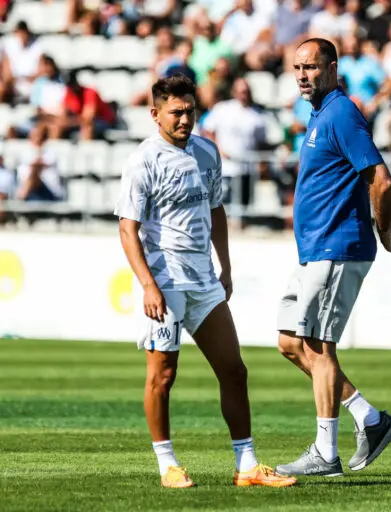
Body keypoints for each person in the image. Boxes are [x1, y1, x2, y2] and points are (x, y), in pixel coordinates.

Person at [114, 74, 296, 490]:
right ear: (155, 114)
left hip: (204, 280)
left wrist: (225, 267)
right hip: (165, 281)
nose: (185, 119)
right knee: (163, 376)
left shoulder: (207, 152)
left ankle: (247, 465)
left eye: (190, 111)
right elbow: (128, 228)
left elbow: (216, 210)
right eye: (176, 112)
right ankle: (168, 465)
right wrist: (148, 285)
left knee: (234, 370)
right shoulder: (144, 160)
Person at [274, 38, 391, 478]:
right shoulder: (320, 114)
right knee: (291, 343)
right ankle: (368, 416)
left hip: (337, 246)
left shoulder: (343, 112)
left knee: (318, 346)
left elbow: (381, 180)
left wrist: (383, 228)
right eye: (297, 68)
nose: (303, 75)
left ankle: (325, 453)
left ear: (332, 68)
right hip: (313, 250)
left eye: (311, 67)